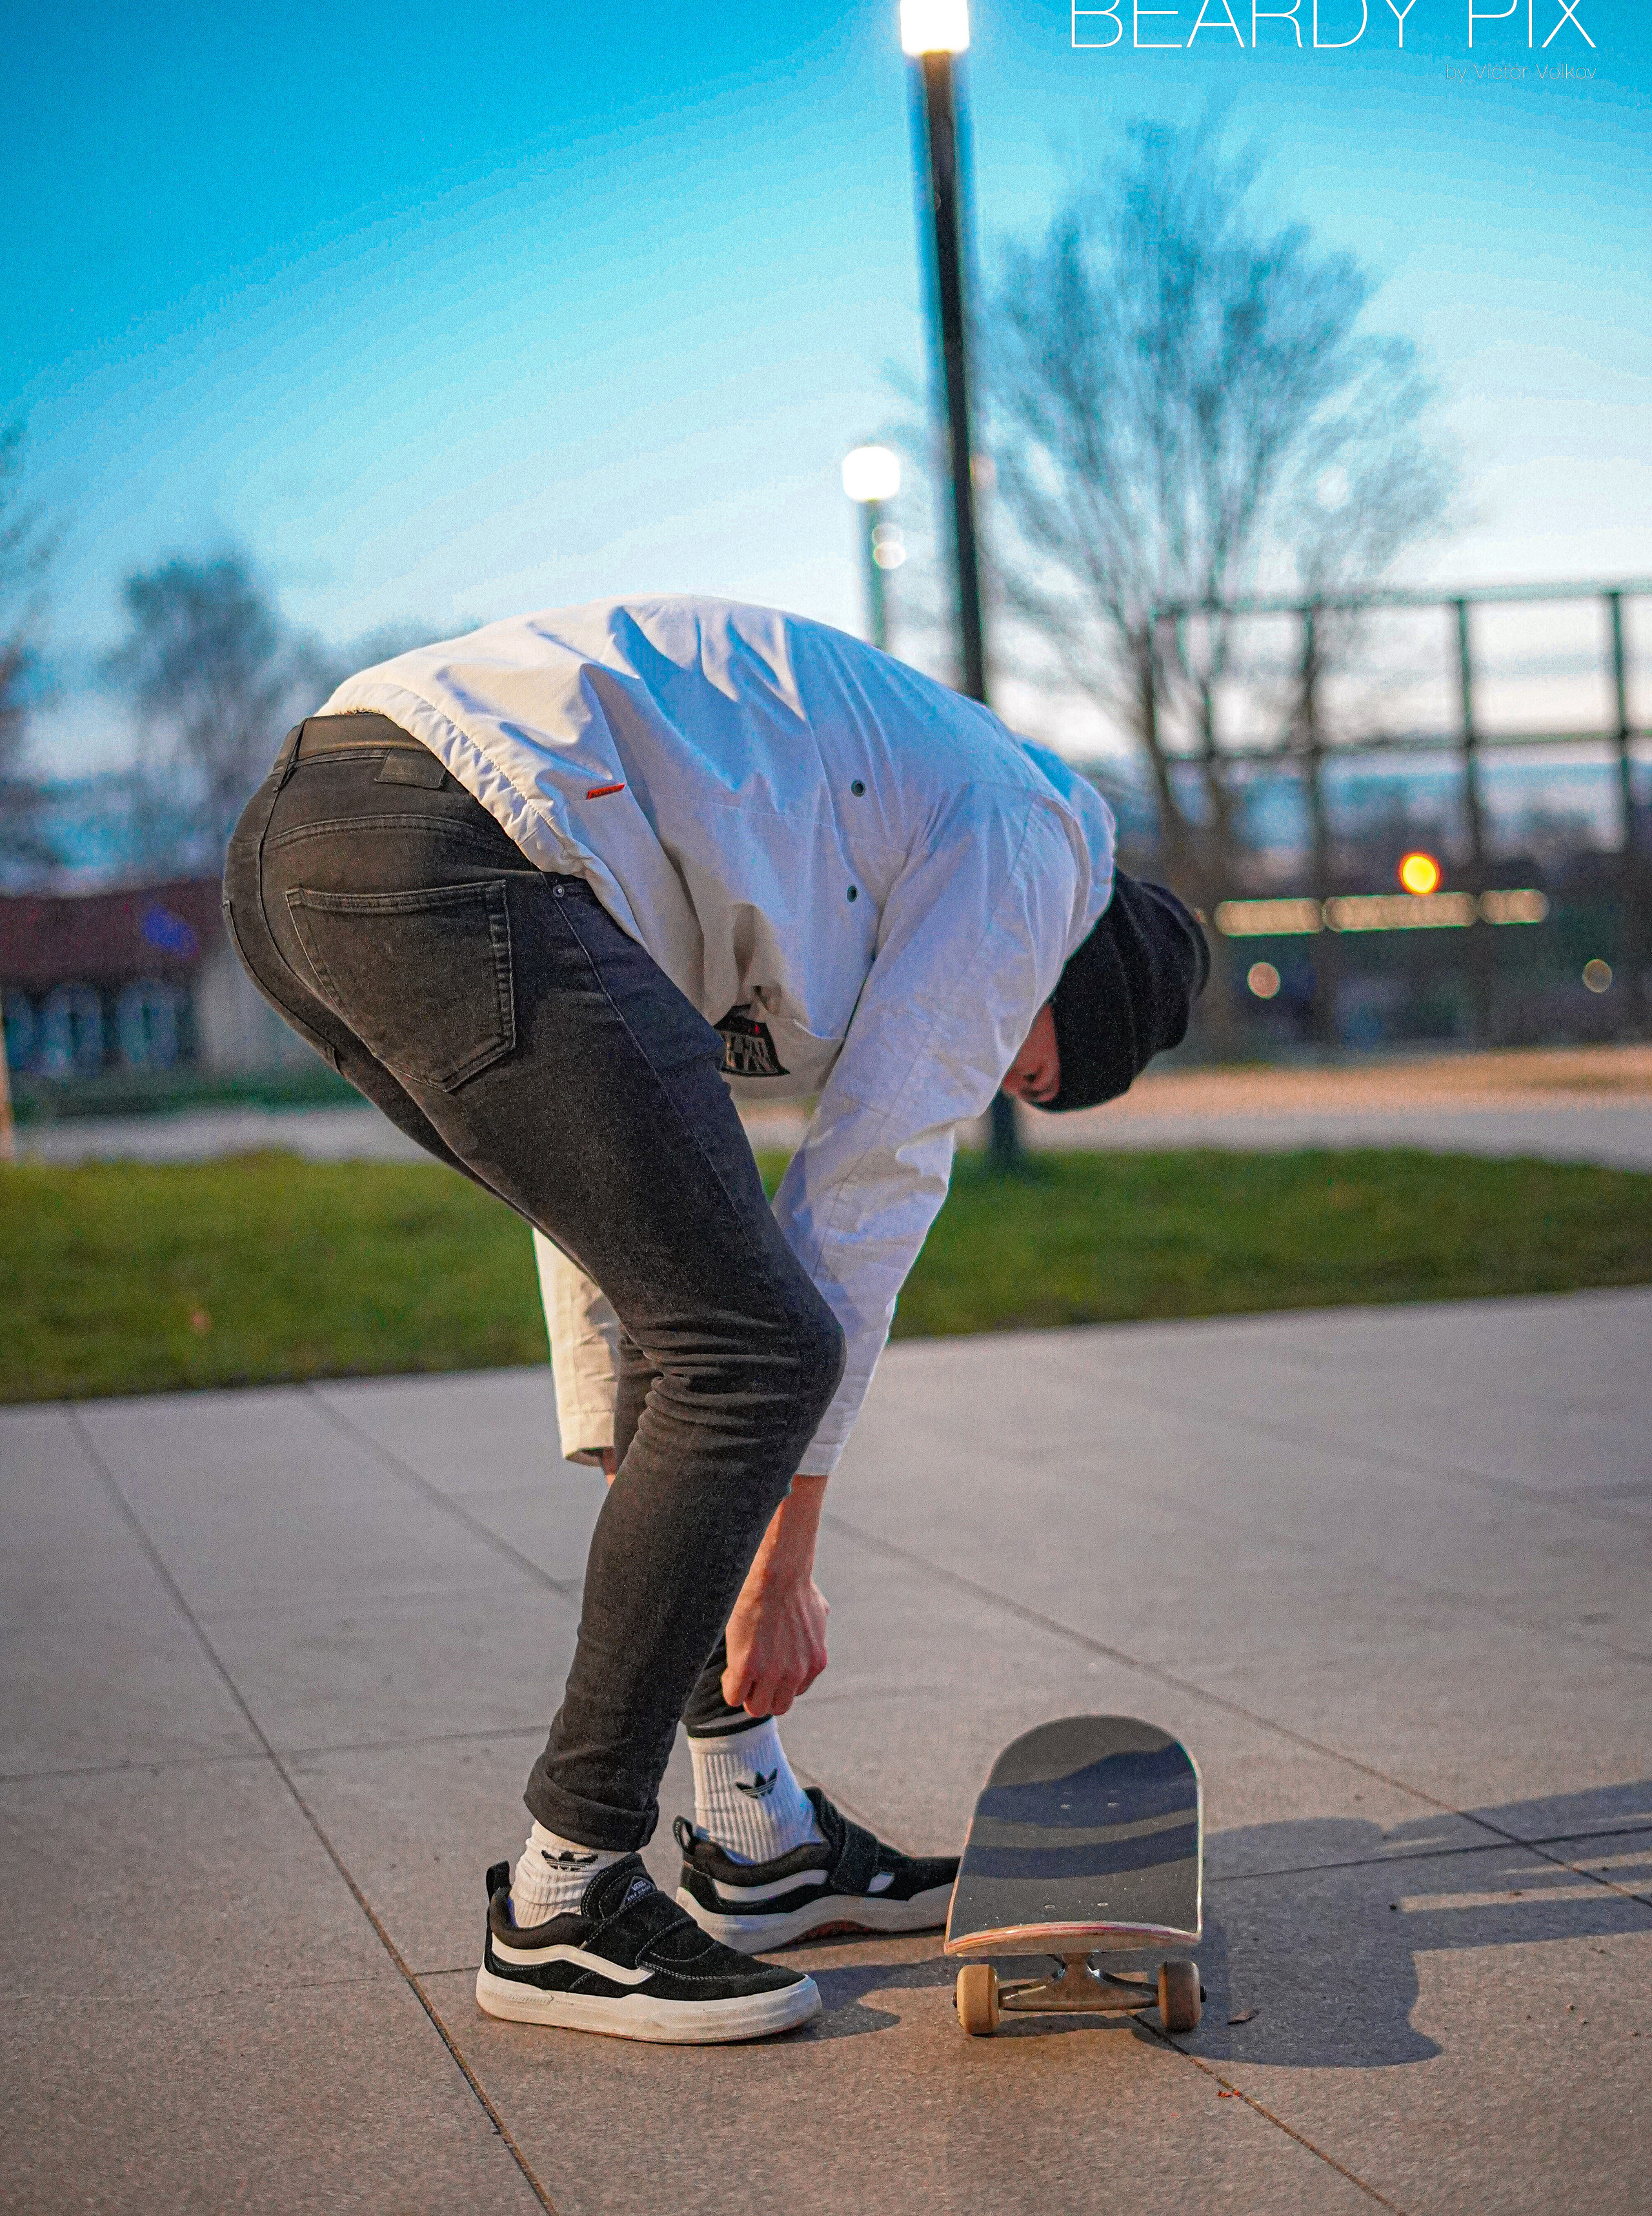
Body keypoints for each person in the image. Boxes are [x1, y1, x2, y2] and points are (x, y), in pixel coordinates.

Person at [223, 595, 1207, 2044]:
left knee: (705, 1327)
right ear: (1082, 980)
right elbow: (866, 1191)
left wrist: (661, 1468)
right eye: (1040, 1069)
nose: (1005, 1080)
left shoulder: (821, 843)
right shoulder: (1036, 848)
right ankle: (562, 1900)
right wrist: (776, 1569)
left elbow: (610, 1232)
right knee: (764, 1346)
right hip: (451, 839)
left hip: (311, 857)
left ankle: (754, 1835)